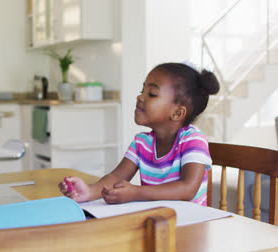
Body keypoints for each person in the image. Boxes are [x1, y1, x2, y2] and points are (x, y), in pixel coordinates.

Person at [59, 62, 220, 206]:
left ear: (178, 113)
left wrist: (136, 193)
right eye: (142, 90)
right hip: (156, 222)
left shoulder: (193, 140)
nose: (140, 97)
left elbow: (187, 189)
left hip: (192, 226)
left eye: (151, 94)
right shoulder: (142, 142)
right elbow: (116, 177)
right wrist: (88, 191)